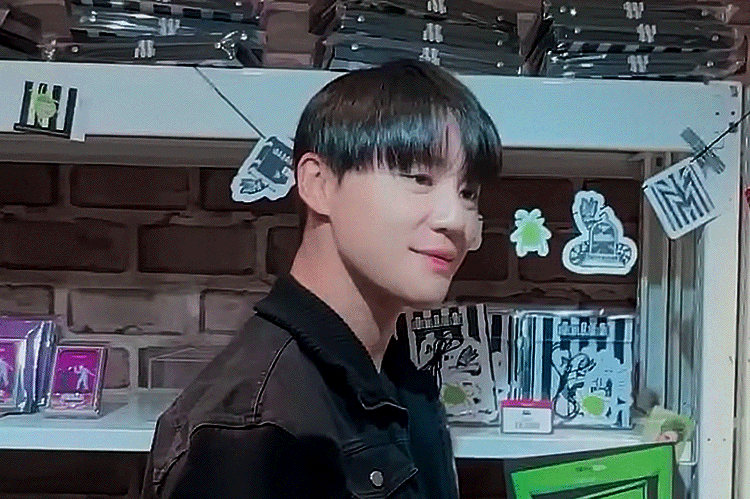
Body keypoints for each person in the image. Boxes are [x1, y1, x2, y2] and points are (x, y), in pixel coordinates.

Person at [140, 59, 502, 499]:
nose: (455, 219)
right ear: (319, 184)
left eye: (467, 193)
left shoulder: (398, 379)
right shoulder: (255, 428)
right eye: (419, 178)